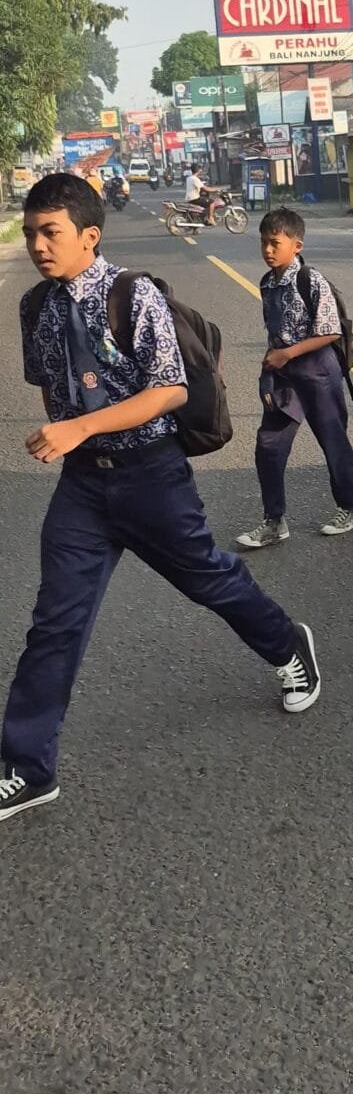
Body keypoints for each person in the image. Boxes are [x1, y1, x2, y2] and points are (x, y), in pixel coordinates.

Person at [0, 174, 321, 827]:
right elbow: (50, 383)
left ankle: (288, 645)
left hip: (150, 475)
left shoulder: (133, 294)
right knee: (55, 623)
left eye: (50, 232)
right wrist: (73, 435)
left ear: (89, 235)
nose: (37, 245)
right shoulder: (36, 306)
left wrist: (81, 426)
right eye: (31, 233)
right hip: (83, 485)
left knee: (209, 579)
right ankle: (27, 768)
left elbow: (170, 389)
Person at [237, 207, 353, 549]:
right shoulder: (267, 283)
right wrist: (271, 365)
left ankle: (351, 506)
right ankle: (274, 520)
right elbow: (274, 329)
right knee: (269, 445)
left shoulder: (310, 279)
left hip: (317, 368)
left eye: (275, 243)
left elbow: (330, 331)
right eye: (263, 242)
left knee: (332, 439)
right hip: (284, 373)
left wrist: (288, 353)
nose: (268, 250)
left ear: (296, 245)